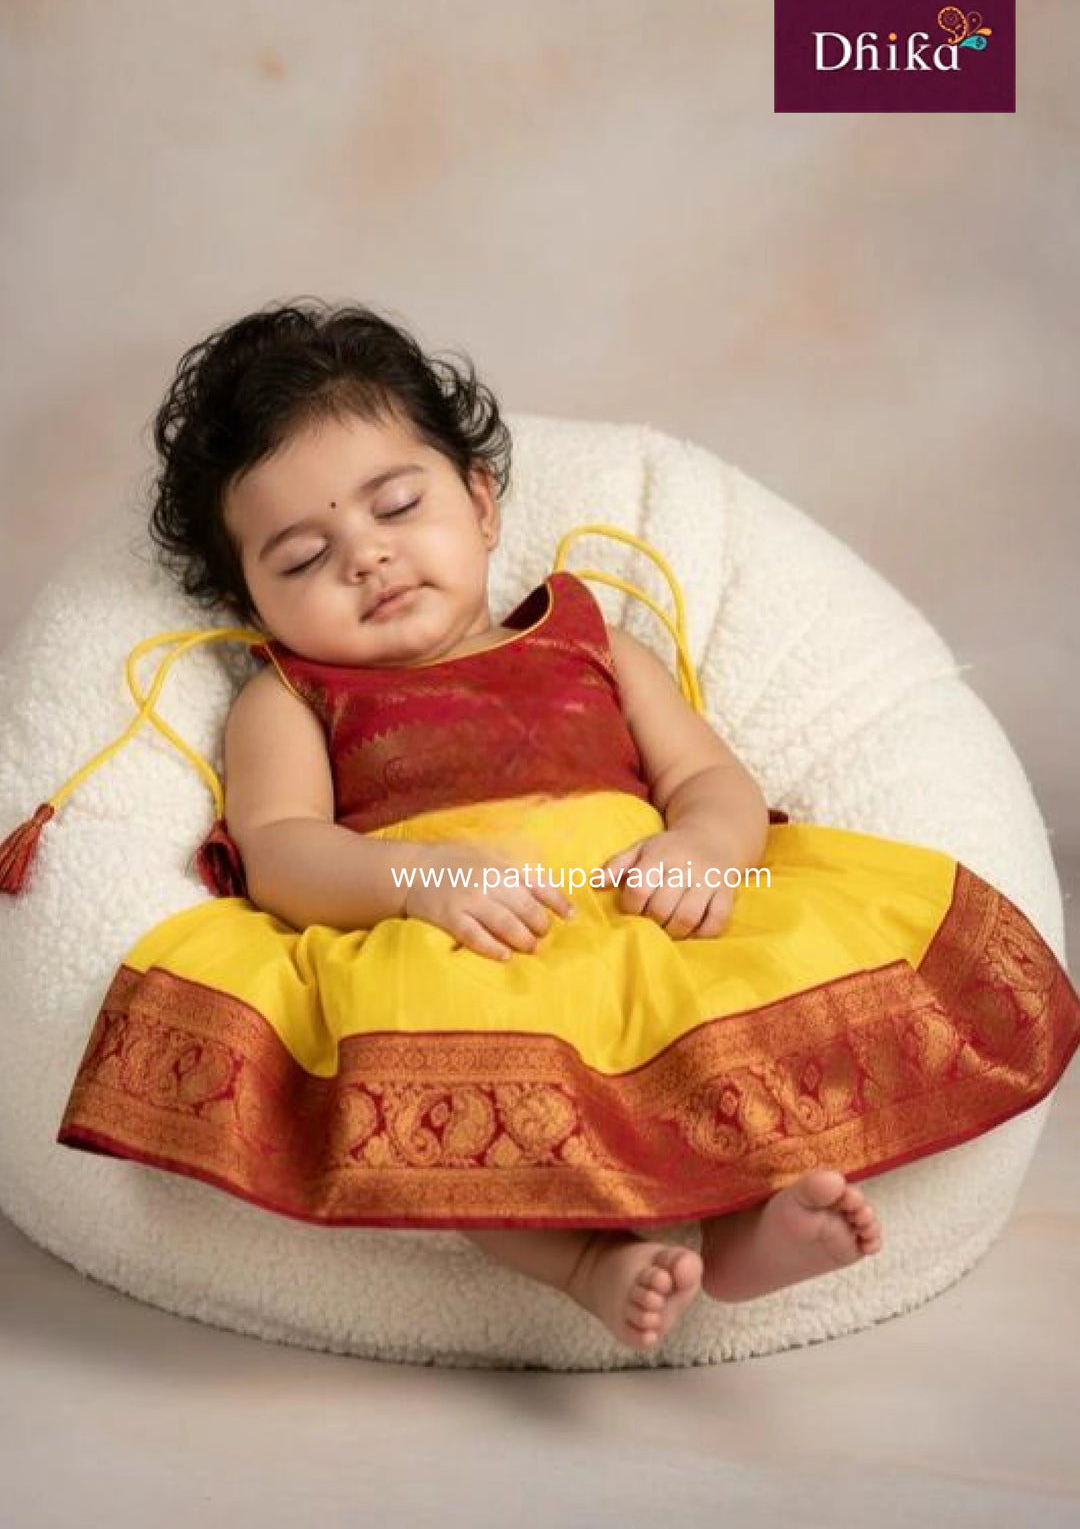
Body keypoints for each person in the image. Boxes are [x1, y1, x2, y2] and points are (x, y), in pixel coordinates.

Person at [30, 301, 1079, 1354]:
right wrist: (414, 879)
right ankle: (590, 1263)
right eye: (303, 559)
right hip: (464, 941)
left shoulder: (591, 637)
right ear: (253, 601)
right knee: (441, 1100)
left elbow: (711, 776)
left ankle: (747, 1226)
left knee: (738, 1023)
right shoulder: (291, 699)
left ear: (482, 503)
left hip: (641, 902)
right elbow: (284, 854)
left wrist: (707, 848)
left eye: (399, 505)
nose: (368, 558)